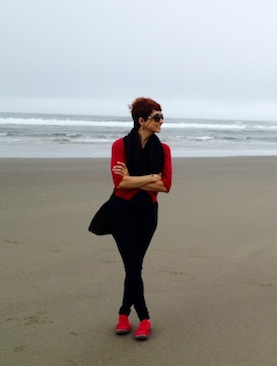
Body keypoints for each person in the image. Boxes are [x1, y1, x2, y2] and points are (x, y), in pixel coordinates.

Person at [107, 97, 172, 340]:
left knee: (134, 265)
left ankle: (124, 313)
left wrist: (134, 177)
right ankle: (144, 318)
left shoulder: (163, 150)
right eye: (157, 117)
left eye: (162, 117)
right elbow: (119, 183)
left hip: (147, 213)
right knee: (132, 265)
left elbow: (165, 186)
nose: (161, 122)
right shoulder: (120, 146)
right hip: (120, 210)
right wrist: (150, 178)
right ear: (141, 121)